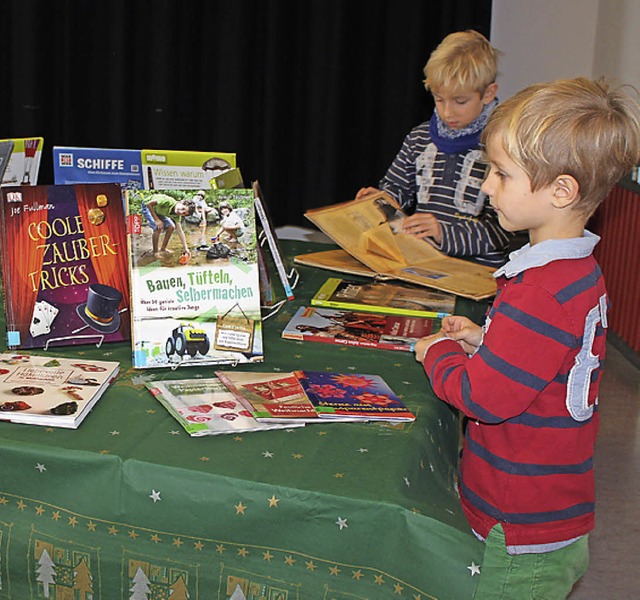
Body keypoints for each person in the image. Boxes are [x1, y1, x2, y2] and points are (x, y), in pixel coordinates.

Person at [412, 77, 640, 598]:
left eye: (502, 174)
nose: (487, 186)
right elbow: (547, 361)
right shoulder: (576, 270)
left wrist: (441, 352)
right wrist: (486, 340)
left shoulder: (538, 290)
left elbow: (482, 398)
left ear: (562, 191)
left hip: (518, 519)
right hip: (547, 502)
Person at [357, 30, 512, 267]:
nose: (448, 111)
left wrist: (443, 233)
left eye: (460, 101)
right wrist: (382, 201)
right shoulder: (420, 138)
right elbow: (397, 187)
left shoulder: (503, 147)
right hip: (425, 264)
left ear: (488, 93)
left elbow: (500, 232)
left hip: (480, 273)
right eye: (439, 99)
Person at [141, 193, 196, 259]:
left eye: (184, 213)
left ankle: (163, 248)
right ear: (180, 202)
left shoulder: (177, 215)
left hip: (158, 211)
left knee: (171, 226)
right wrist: (157, 220)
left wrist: (186, 248)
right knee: (158, 227)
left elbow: (180, 231)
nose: (181, 212)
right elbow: (149, 204)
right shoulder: (167, 201)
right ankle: (155, 252)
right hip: (147, 206)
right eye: (183, 208)